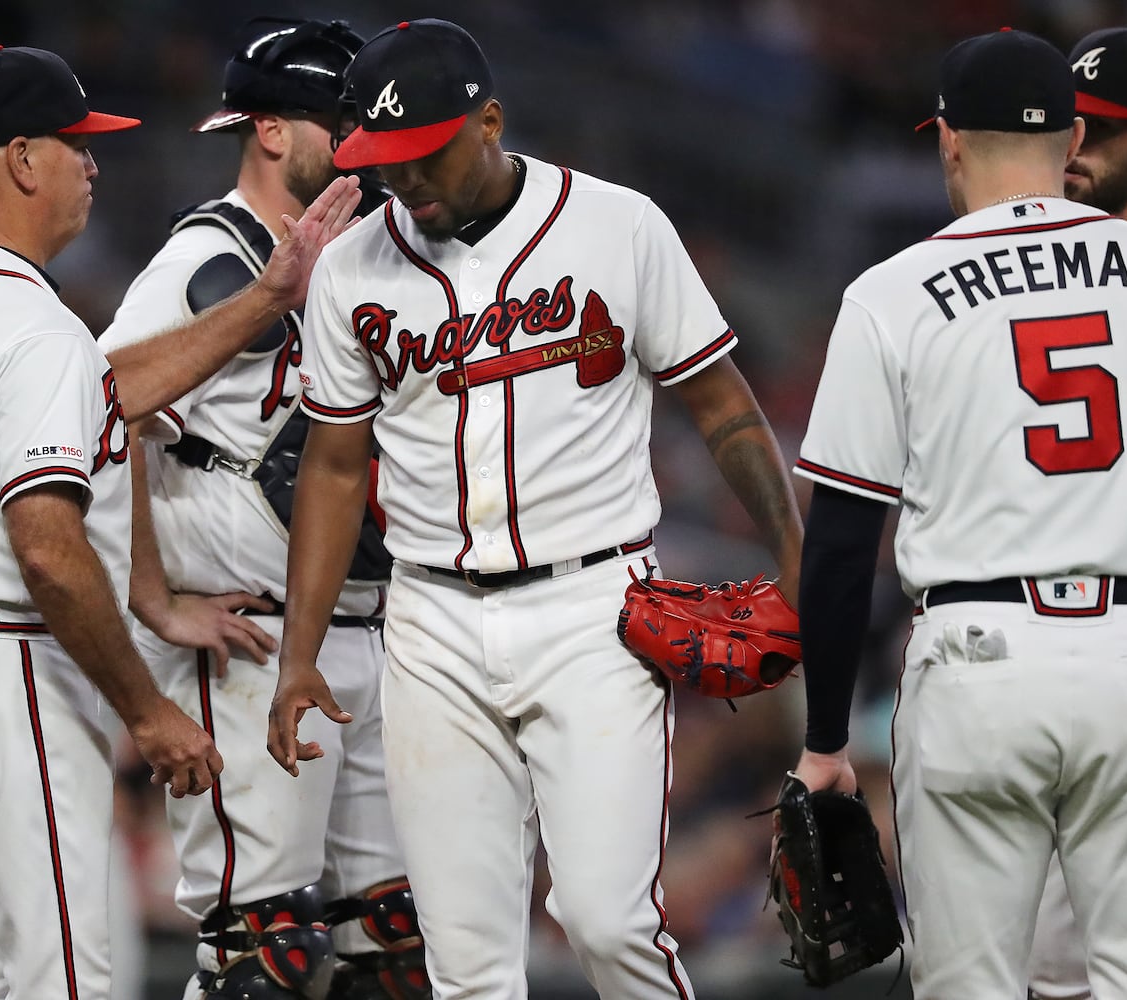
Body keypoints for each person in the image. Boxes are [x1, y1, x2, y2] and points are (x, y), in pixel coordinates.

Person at [266, 19, 804, 999]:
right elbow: (335, 468)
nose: (404, 183)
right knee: (464, 957)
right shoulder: (351, 267)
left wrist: (793, 551)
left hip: (592, 608)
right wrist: (300, 651)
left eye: (421, 155)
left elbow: (720, 404)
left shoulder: (617, 224)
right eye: (383, 163)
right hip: (429, 620)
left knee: (607, 921)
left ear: (488, 122)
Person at [0, 45, 354, 1000]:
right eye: (77, 145)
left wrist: (267, 298)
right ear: (23, 160)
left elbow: (104, 398)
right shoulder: (32, 326)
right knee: (72, 985)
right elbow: (46, 546)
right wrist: (148, 711)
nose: (93, 165)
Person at [790, 27, 1127, 999]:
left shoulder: (890, 294)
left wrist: (824, 742)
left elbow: (843, 545)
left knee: (967, 985)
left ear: (945, 140)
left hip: (980, 664)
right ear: (1071, 144)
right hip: (1126, 654)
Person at [98, 17, 424, 1000]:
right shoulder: (214, 251)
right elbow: (101, 397)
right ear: (272, 130)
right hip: (249, 640)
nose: (360, 144)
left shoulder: (375, 254)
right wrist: (153, 596)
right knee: (262, 954)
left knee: (396, 946)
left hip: (373, 629)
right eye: (340, 122)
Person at [1020, 25, 1127, 1000]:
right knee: (1047, 971)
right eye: (1068, 126)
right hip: (1047, 655)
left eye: (1102, 129)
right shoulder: (1020, 275)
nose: (1075, 149)